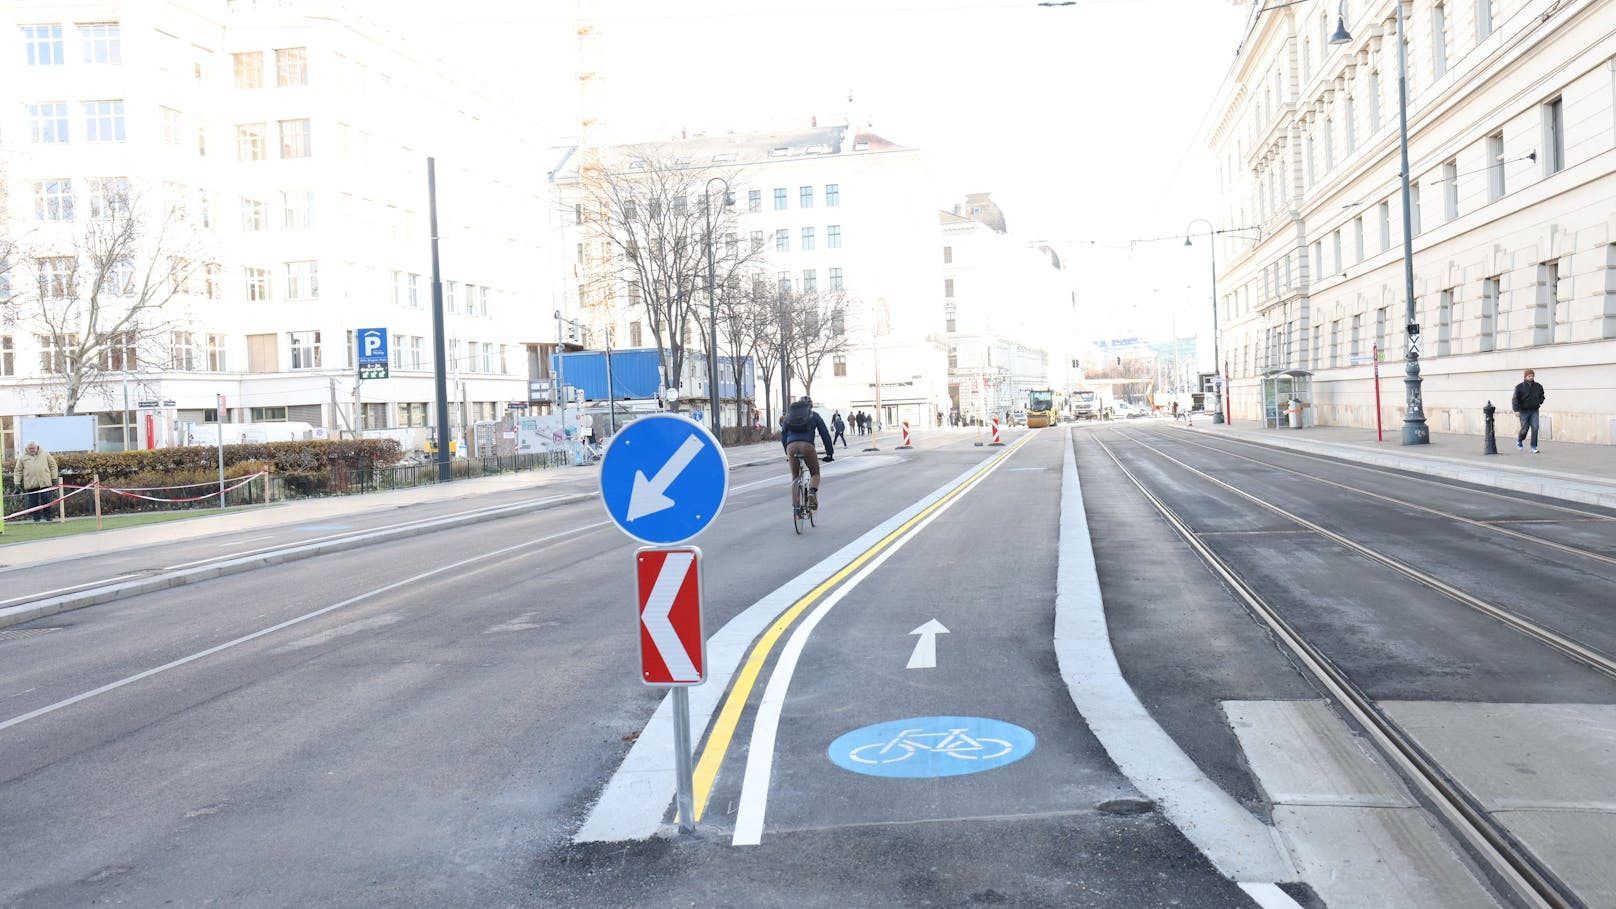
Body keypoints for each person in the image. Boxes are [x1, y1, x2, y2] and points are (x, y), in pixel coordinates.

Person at [780, 396, 834, 512]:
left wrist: (787, 452)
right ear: (811, 406)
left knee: (795, 476)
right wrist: (829, 453)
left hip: (791, 447)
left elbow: (783, 434)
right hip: (807, 446)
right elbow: (824, 433)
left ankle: (796, 508)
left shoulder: (789, 415)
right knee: (815, 474)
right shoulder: (814, 415)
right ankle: (811, 492)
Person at [14, 440, 60, 522]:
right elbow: (18, 471)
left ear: (37, 447)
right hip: (30, 483)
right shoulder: (22, 457)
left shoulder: (45, 454)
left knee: (47, 500)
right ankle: (36, 518)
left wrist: (54, 478)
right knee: (33, 502)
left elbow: (53, 466)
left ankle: (48, 517)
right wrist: (17, 483)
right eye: (29, 448)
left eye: (33, 448)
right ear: (27, 448)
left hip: (44, 482)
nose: (31, 450)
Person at [1511, 368, 1546, 452]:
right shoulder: (1519, 387)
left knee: (1535, 427)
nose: (1531, 377)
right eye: (1529, 376)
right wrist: (1516, 410)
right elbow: (1515, 399)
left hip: (1534, 410)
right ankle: (1520, 440)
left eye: (1532, 376)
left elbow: (1542, 395)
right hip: (1523, 411)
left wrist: (1539, 401)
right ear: (1525, 377)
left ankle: (1533, 447)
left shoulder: (1538, 386)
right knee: (1524, 429)